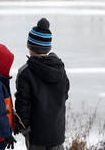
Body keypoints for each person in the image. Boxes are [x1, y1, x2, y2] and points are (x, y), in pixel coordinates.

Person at [15, 18, 70, 150]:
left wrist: (24, 129)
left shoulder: (25, 72)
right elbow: (65, 95)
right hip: (57, 132)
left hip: (36, 136)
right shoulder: (60, 70)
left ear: (30, 46)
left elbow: (22, 103)